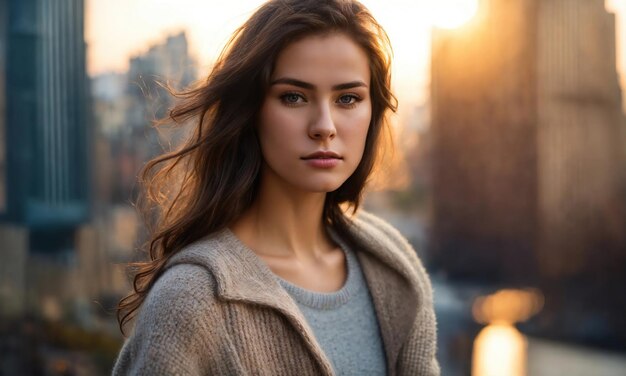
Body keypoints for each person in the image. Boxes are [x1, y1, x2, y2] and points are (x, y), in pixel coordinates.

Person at [112, 0, 439, 375]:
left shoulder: (392, 266)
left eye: (347, 98)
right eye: (293, 97)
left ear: (373, 111)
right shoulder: (192, 300)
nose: (324, 126)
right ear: (250, 111)